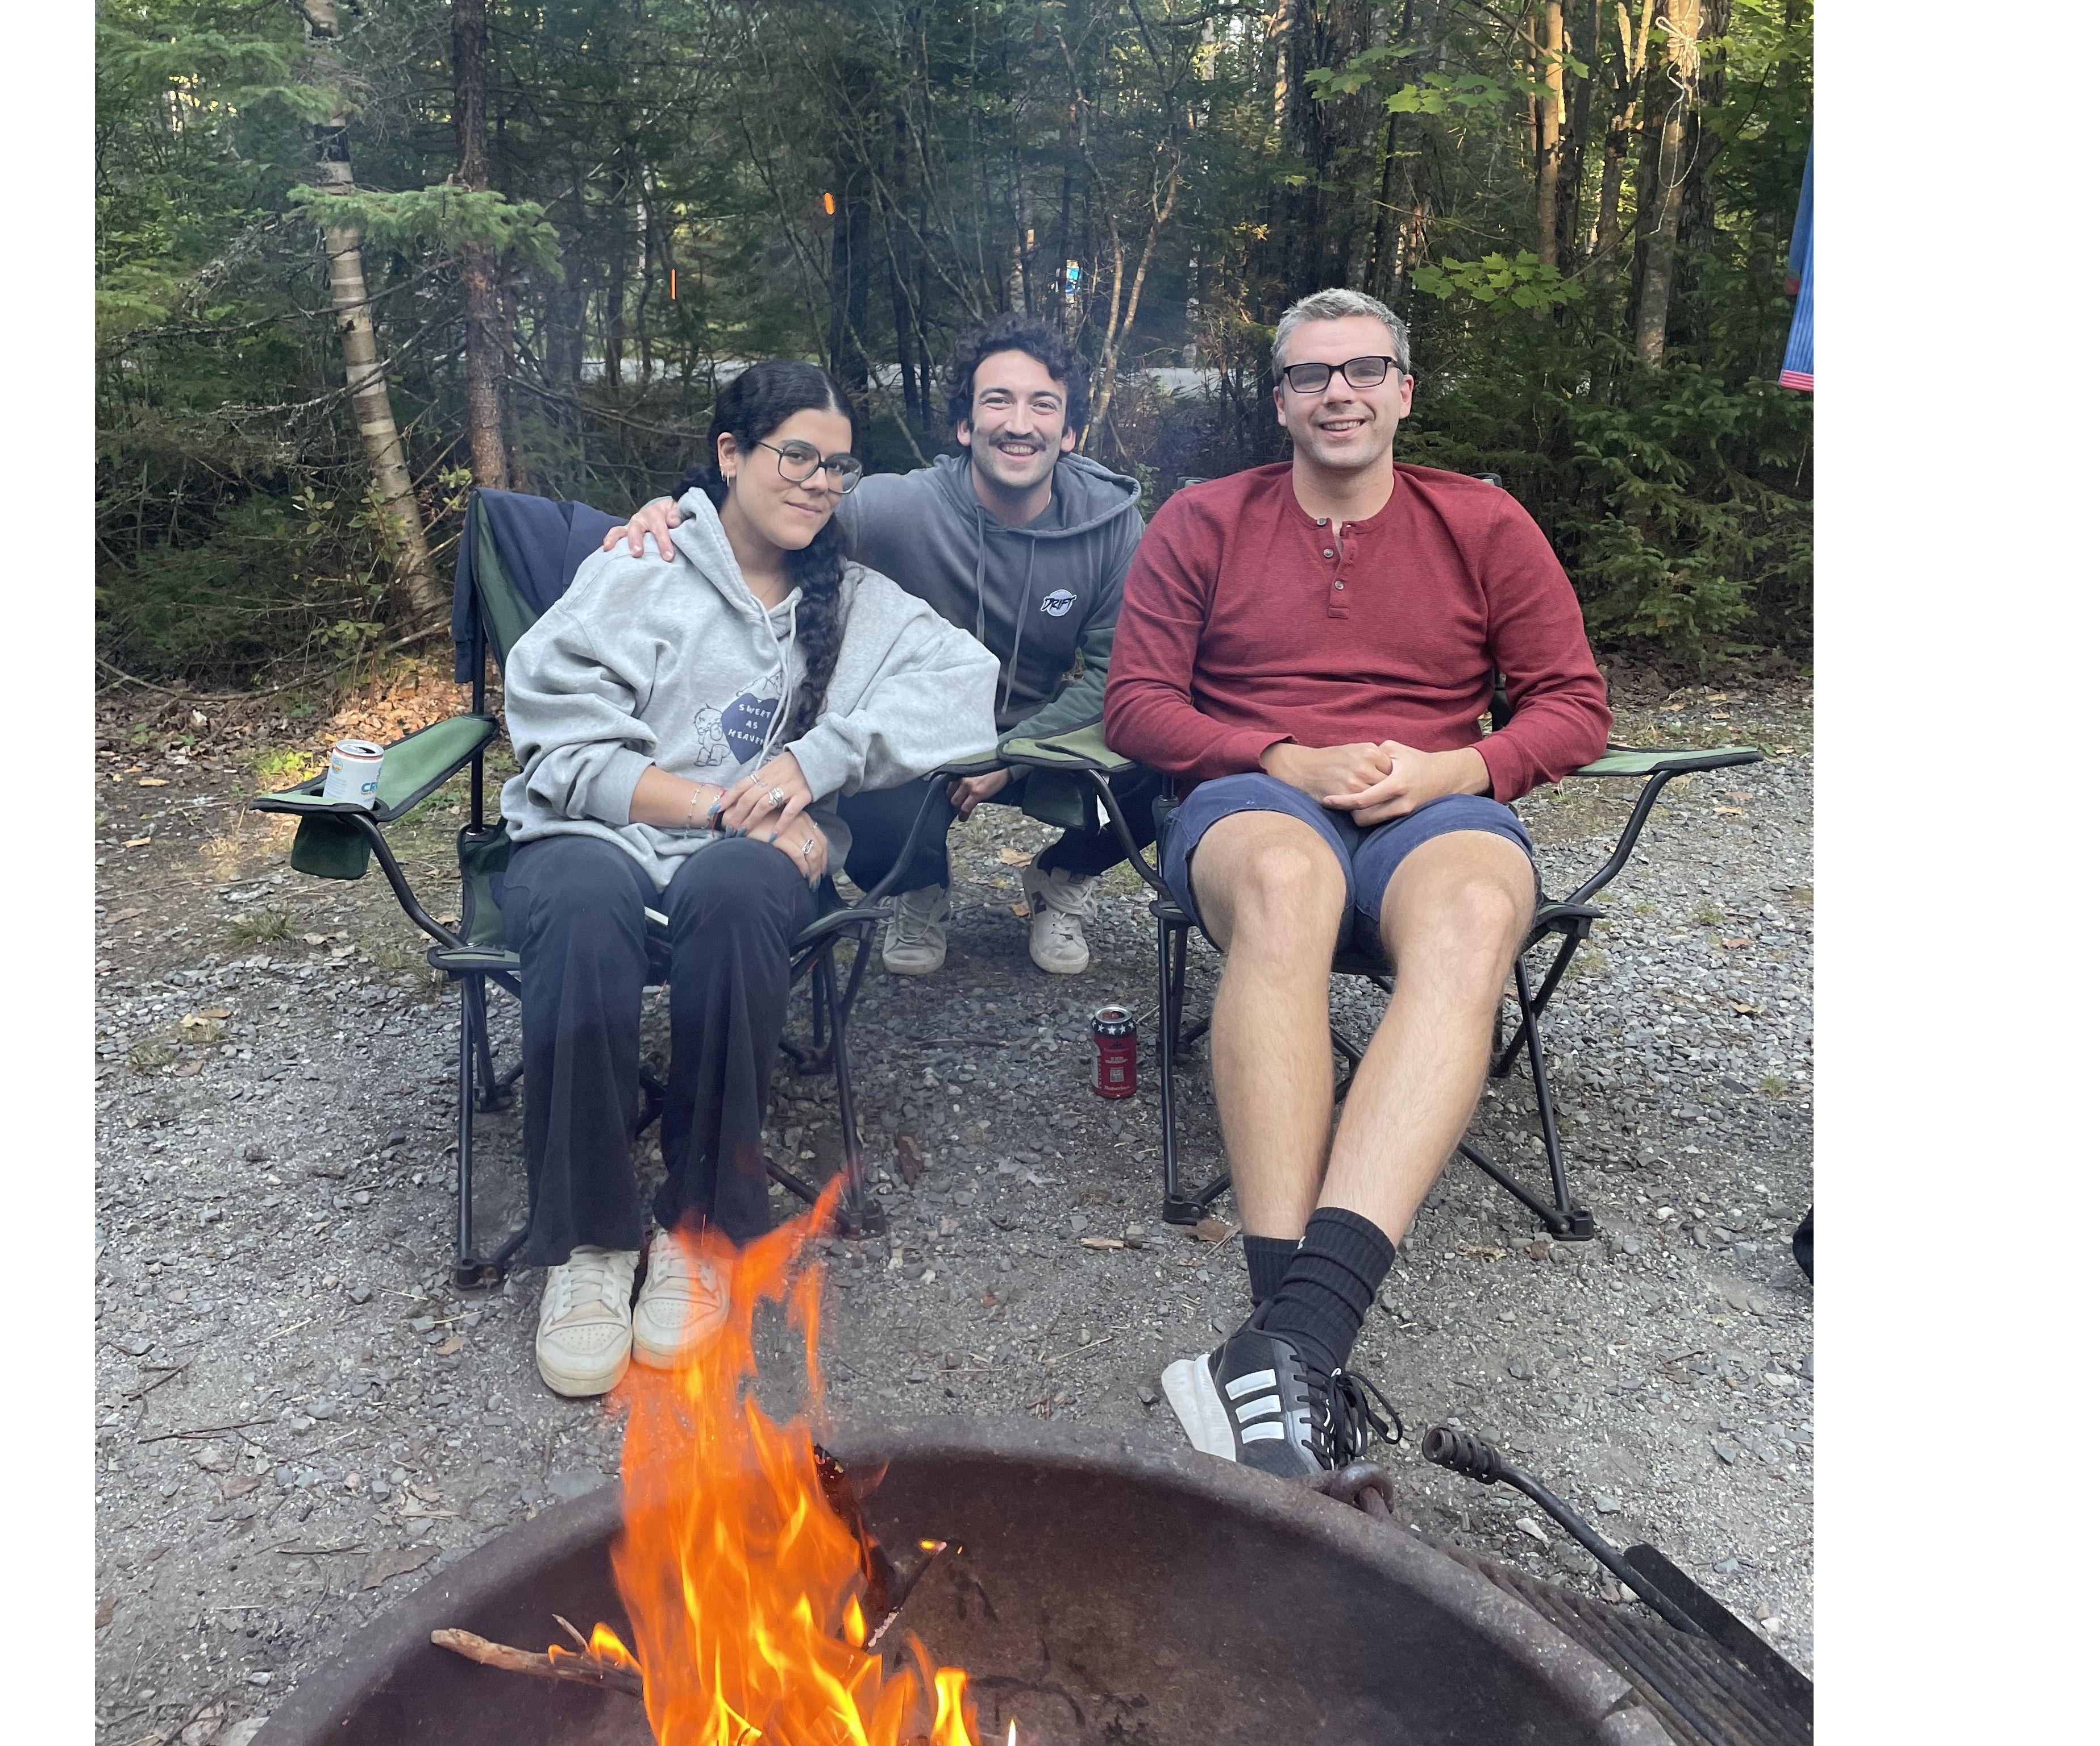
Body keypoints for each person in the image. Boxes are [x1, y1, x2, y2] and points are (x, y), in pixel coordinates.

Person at [1102, 286, 1612, 1481]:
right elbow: (1136, 703)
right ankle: (1296, 1338)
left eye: (1365, 369)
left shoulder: (1483, 523)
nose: (1340, 391)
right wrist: (1276, 754)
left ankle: (1289, 1351)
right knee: (1286, 883)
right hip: (1254, 799)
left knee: (1483, 908)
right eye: (1312, 375)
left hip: (1427, 801)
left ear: (1403, 392)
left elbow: (1574, 704)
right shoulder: (1205, 520)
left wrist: (1464, 765)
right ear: (1278, 400)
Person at [496, 361, 997, 1399]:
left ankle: (699, 1228)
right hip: (600, 831)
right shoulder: (635, 567)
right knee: (586, 900)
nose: (819, 482)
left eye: (837, 464)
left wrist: (818, 767)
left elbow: (967, 687)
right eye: (795, 456)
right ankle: (586, 1247)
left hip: (736, 869)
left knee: (737, 888)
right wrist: (721, 804)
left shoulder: (852, 600)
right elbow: (557, 742)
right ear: (729, 455)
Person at [606, 314, 1152, 976]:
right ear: (963, 425)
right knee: (846, 760)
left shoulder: (1112, 528)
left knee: (1171, 744)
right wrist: (678, 511)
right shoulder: (895, 509)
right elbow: (773, 502)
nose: (1019, 422)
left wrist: (1013, 756)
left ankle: (1062, 875)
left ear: (1070, 432)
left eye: (1043, 404)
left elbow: (1120, 670)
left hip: (1041, 734)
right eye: (997, 401)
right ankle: (914, 889)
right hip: (918, 731)